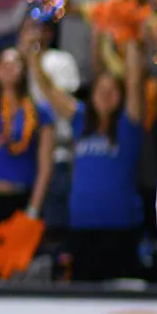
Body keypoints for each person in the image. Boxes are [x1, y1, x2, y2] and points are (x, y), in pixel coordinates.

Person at [24, 22, 148, 281]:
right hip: (82, 227)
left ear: (121, 97)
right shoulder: (80, 120)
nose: (106, 95)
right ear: (91, 96)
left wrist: (129, 35)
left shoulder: (129, 123)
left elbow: (135, 81)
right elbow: (48, 91)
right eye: (101, 90)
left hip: (121, 228)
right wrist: (33, 57)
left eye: (113, 91)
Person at [0, 47, 55, 275]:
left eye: (14, 63)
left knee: (14, 270)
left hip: (19, 202)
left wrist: (33, 210)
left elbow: (45, 166)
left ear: (24, 68)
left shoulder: (39, 110)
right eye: (2, 64)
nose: (8, 69)